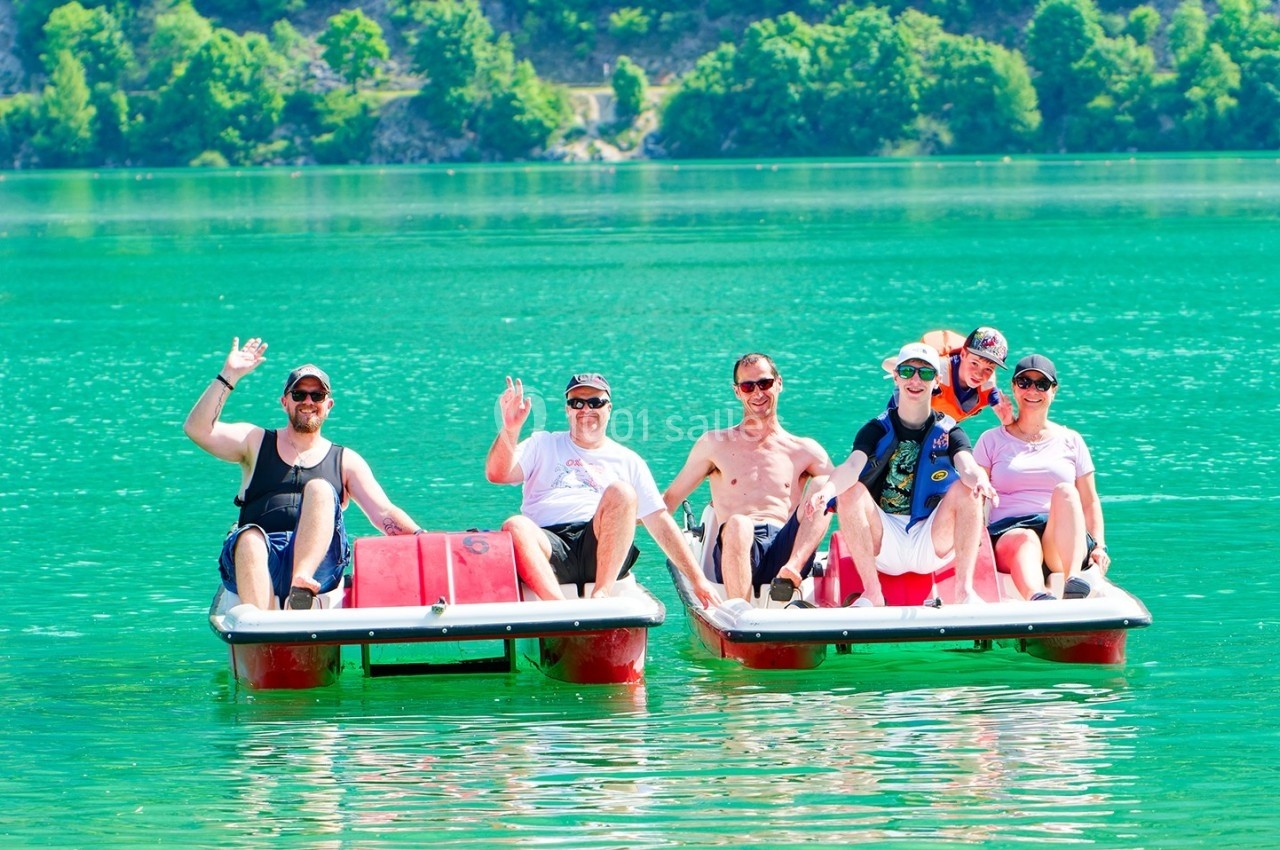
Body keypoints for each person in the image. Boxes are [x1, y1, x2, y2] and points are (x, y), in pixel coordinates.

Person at [183, 337, 423, 611]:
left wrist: (422, 538)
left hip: (319, 569)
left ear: (328, 405)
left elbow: (384, 513)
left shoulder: (345, 460)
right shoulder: (254, 441)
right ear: (285, 402)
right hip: (260, 557)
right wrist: (230, 375)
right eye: (299, 395)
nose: (308, 401)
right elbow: (197, 429)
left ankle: (301, 579)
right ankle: (263, 630)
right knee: (248, 537)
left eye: (317, 396)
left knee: (320, 489)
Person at [484, 373, 719, 607]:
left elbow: (658, 520)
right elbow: (497, 474)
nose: (586, 409)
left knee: (623, 492)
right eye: (577, 403)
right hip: (548, 545)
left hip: (602, 546)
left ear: (609, 408)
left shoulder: (628, 460)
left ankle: (601, 597)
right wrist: (510, 429)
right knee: (515, 525)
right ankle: (556, 609)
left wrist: (698, 579)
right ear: (567, 410)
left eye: (595, 402)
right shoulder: (542, 444)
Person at [806, 343, 998, 606]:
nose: (916, 380)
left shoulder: (949, 430)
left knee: (968, 490)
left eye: (926, 374)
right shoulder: (875, 429)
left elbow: (966, 465)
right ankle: (872, 594)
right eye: (908, 372)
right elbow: (852, 466)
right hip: (883, 541)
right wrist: (828, 490)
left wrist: (980, 480)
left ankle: (964, 593)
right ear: (896, 377)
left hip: (932, 538)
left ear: (937, 381)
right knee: (849, 490)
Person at [662, 353, 834, 602]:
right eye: (747, 386)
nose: (757, 393)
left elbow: (847, 494)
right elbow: (668, 502)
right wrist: (617, 516)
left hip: (785, 549)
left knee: (823, 485)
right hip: (735, 545)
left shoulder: (804, 450)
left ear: (779, 383)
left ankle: (792, 573)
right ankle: (739, 613)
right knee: (740, 524)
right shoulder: (714, 444)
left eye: (764, 383)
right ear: (737, 392)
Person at [972, 354, 1111, 600]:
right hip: (1010, 535)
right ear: (1014, 388)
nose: (1032, 390)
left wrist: (1099, 546)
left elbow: (1089, 501)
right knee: (1025, 538)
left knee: (1066, 492)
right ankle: (1037, 598)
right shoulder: (991, 439)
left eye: (1041, 384)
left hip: (1059, 541)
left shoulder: (1072, 440)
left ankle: (1073, 582)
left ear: (1053, 390)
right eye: (1024, 382)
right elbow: (974, 495)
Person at [885, 327, 1014, 424]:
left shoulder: (988, 388)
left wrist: (1007, 419)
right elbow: (886, 363)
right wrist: (918, 372)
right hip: (900, 420)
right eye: (974, 363)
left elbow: (1008, 422)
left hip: (937, 427)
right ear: (963, 354)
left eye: (988, 369)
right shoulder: (937, 369)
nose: (979, 374)